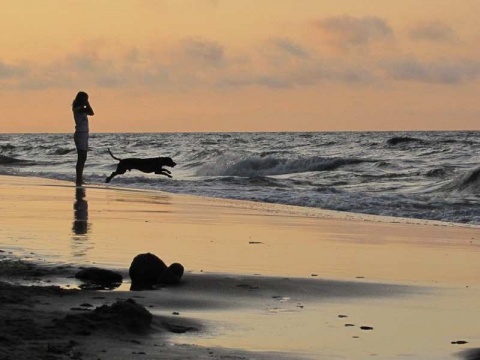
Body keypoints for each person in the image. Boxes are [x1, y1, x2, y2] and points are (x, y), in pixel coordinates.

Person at [72, 91, 94, 185]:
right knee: (81, 157)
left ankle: (79, 178)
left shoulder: (80, 108)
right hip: (81, 134)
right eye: (85, 99)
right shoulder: (78, 108)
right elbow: (91, 112)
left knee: (82, 158)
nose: (87, 101)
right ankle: (79, 179)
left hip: (83, 134)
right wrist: (87, 104)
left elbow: (91, 113)